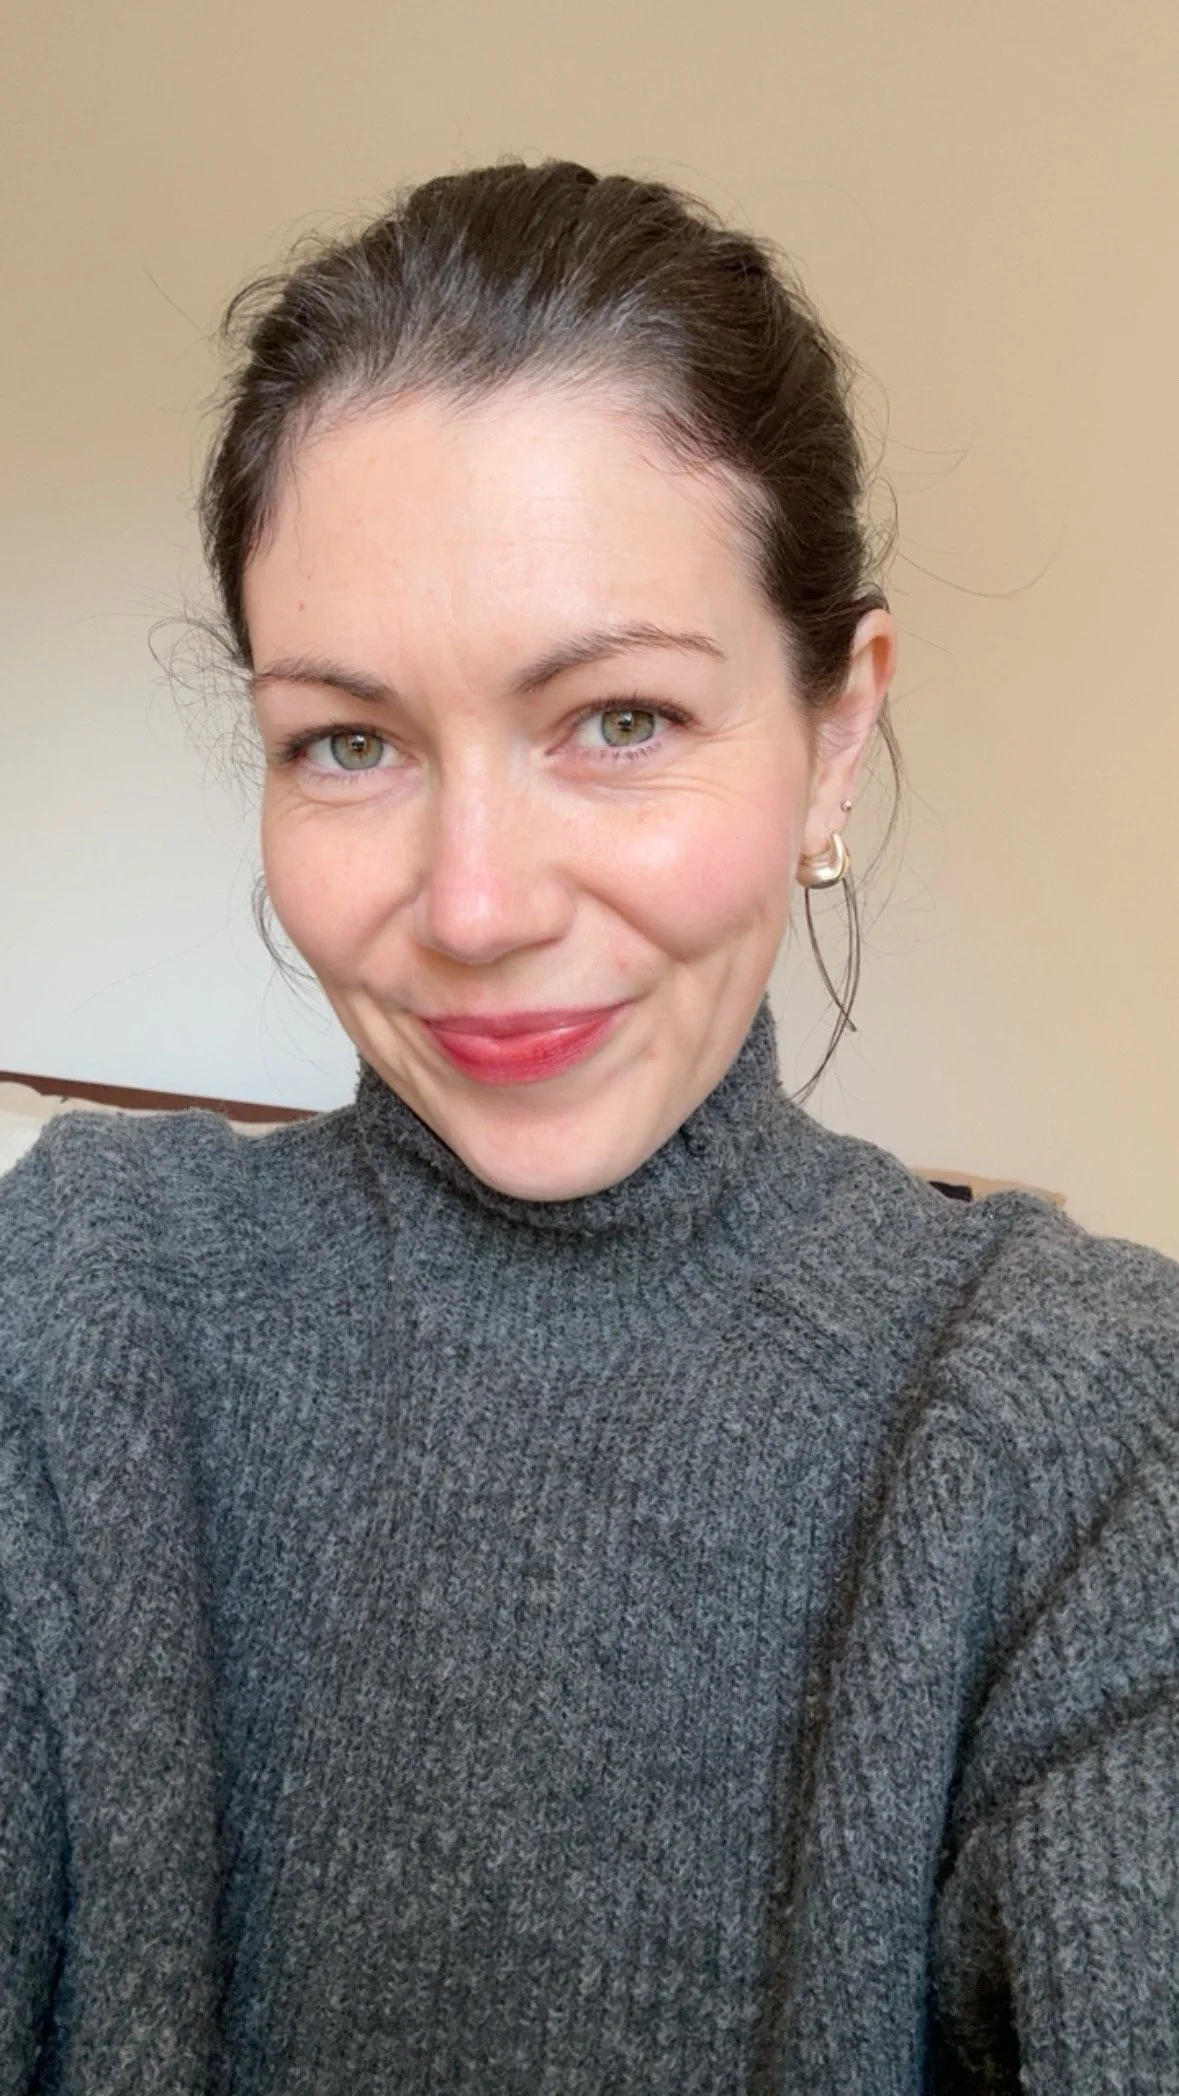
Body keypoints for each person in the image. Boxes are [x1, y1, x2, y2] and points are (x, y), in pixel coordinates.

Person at [1, 159, 1176, 2095]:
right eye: (348, 742)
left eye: (616, 718)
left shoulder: (1074, 1443)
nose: (474, 905)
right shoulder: (80, 1320)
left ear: (836, 730)